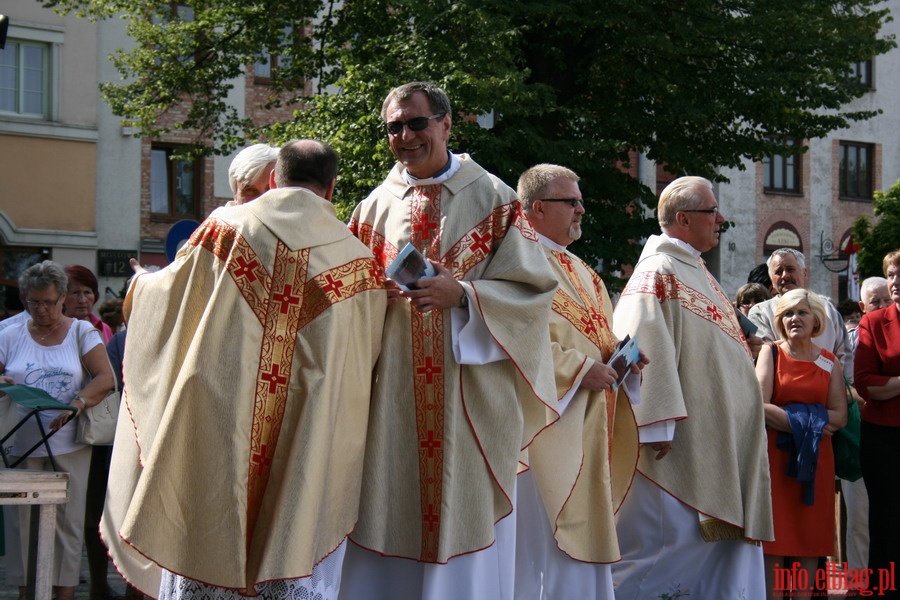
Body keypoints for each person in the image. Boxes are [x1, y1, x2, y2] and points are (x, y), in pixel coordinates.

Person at [100, 140, 387, 600]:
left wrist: (138, 285)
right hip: (303, 438)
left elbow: (169, 298)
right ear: (331, 188)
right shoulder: (358, 262)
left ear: (274, 177)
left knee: (207, 523)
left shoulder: (225, 229)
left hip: (222, 422)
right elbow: (364, 364)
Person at [340, 81, 559, 600]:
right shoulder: (372, 209)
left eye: (417, 123)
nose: (406, 136)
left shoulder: (495, 197)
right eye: (394, 127)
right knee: (389, 505)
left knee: (462, 512)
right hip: (392, 398)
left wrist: (461, 294)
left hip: (469, 398)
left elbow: (534, 293)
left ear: (445, 124)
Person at [610, 176, 773, 599]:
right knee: (664, 554)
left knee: (711, 557)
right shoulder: (658, 270)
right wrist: (653, 424)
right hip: (679, 445)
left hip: (718, 443)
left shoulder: (696, 269)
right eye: (711, 211)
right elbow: (640, 340)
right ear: (682, 219)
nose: (721, 219)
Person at [516, 164, 643, 599]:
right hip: (542, 427)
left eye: (580, 201)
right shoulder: (515, 260)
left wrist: (621, 357)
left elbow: (597, 338)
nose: (581, 210)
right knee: (540, 545)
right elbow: (512, 336)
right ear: (537, 208)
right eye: (571, 201)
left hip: (589, 421)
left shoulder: (584, 271)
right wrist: (576, 369)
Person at [0, 260, 115, 600]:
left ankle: (64, 594)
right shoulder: (8, 333)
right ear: (24, 298)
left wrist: (77, 404)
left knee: (67, 525)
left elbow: (106, 378)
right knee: (22, 528)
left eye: (49, 302)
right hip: (20, 445)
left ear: (62, 297)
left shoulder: (82, 332)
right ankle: (26, 593)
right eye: (33, 302)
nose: (42, 309)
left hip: (70, 445)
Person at [755, 289, 847, 599]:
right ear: (780, 320)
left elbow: (840, 417)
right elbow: (757, 405)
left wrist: (799, 422)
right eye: (788, 314)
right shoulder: (771, 352)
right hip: (776, 462)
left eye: (802, 313)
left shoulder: (829, 361)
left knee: (810, 540)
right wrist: (808, 423)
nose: (795, 319)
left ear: (816, 320)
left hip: (817, 462)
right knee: (775, 542)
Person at [60, 264, 118, 600]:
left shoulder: (104, 331)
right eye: (74, 291)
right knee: (67, 510)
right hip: (66, 429)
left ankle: (98, 581)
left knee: (96, 509)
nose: (82, 299)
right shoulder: (60, 330)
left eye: (87, 291)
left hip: (99, 432)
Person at [854, 250, 900, 599]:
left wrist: (892, 384)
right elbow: (867, 385)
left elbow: (883, 385)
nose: (896, 281)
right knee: (886, 520)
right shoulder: (874, 322)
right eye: (892, 274)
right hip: (884, 437)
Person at [748, 248, 853, 383]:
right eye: (778, 272)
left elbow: (844, 354)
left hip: (827, 392)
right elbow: (765, 355)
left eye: (790, 269)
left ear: (804, 273)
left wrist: (841, 388)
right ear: (771, 279)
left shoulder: (827, 308)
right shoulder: (761, 312)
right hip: (782, 392)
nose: (785, 275)